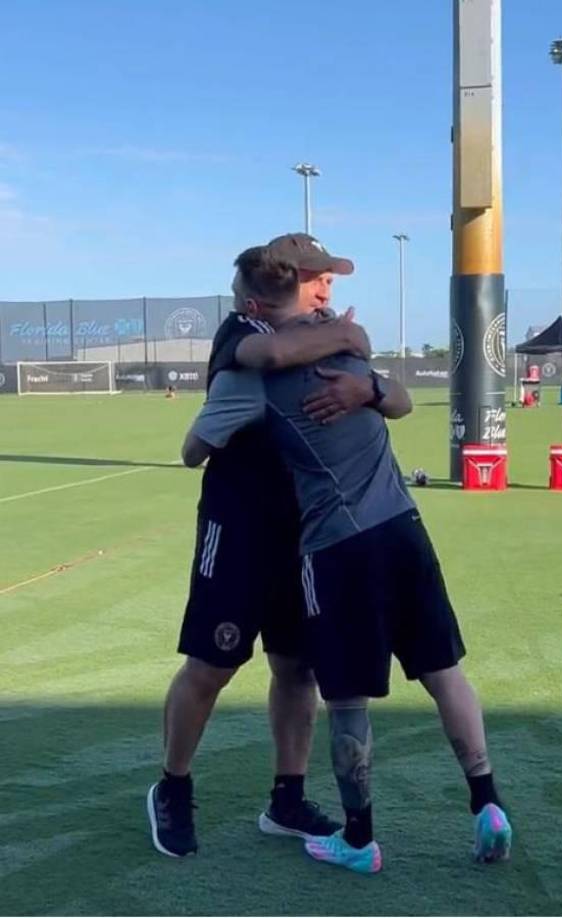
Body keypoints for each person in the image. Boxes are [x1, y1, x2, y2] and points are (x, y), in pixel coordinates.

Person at [183, 245, 512, 874]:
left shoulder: (253, 372)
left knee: (346, 698)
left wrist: (225, 430)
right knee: (444, 672)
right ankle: (487, 802)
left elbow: (195, 447)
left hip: (338, 548)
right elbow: (398, 400)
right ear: (298, 295)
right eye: (318, 283)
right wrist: (366, 377)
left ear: (255, 307)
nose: (327, 294)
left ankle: (359, 841)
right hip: (405, 527)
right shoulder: (347, 353)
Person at [148, 233, 410, 859]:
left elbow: (391, 397)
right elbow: (195, 447)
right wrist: (344, 336)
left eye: (331, 280)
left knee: (297, 667)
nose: (327, 290)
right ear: (280, 286)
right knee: (212, 664)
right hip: (239, 526)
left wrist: (355, 364)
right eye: (317, 278)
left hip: (309, 529)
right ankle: (172, 786)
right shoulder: (244, 336)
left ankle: (287, 799)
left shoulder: (322, 335)